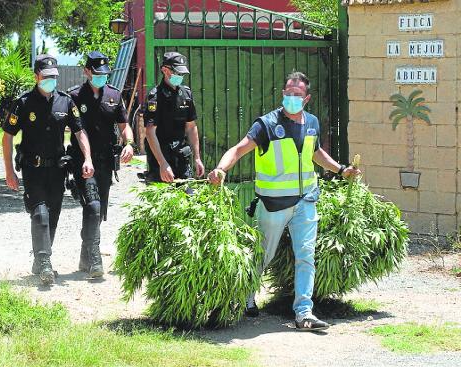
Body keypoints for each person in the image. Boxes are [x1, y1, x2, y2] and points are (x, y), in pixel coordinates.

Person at [208, 71, 361, 331]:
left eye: (297, 94)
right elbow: (238, 148)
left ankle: (304, 312)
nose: (292, 97)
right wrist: (221, 169)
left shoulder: (311, 122)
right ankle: (247, 296)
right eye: (288, 93)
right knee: (264, 255)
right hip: (274, 204)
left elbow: (315, 153)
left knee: (306, 256)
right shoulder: (266, 124)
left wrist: (341, 170)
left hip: (306, 200)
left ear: (306, 98)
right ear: (282, 94)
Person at [2, 54, 94, 285]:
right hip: (33, 169)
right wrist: (9, 172)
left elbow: (79, 131)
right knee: (39, 214)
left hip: (57, 169)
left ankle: (41, 260)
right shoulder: (23, 103)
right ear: (36, 77)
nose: (51, 81)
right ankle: (45, 262)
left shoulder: (65, 102)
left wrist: (88, 158)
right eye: (46, 77)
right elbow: (7, 137)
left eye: (54, 77)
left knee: (52, 216)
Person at [67, 51, 134, 278]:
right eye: (97, 73)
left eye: (105, 74)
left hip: (106, 162)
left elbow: (124, 124)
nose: (101, 78)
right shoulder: (75, 96)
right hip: (82, 161)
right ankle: (95, 257)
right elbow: (75, 129)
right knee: (93, 206)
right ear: (87, 71)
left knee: (98, 209)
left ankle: (85, 255)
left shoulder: (114, 95)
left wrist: (129, 143)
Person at [142, 52, 204, 183]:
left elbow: (191, 127)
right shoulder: (155, 97)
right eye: (177, 72)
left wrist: (197, 157)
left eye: (182, 74)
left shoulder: (186, 94)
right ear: (165, 70)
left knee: (188, 199)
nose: (180, 76)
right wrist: (162, 164)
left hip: (181, 158)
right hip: (161, 160)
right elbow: (150, 132)